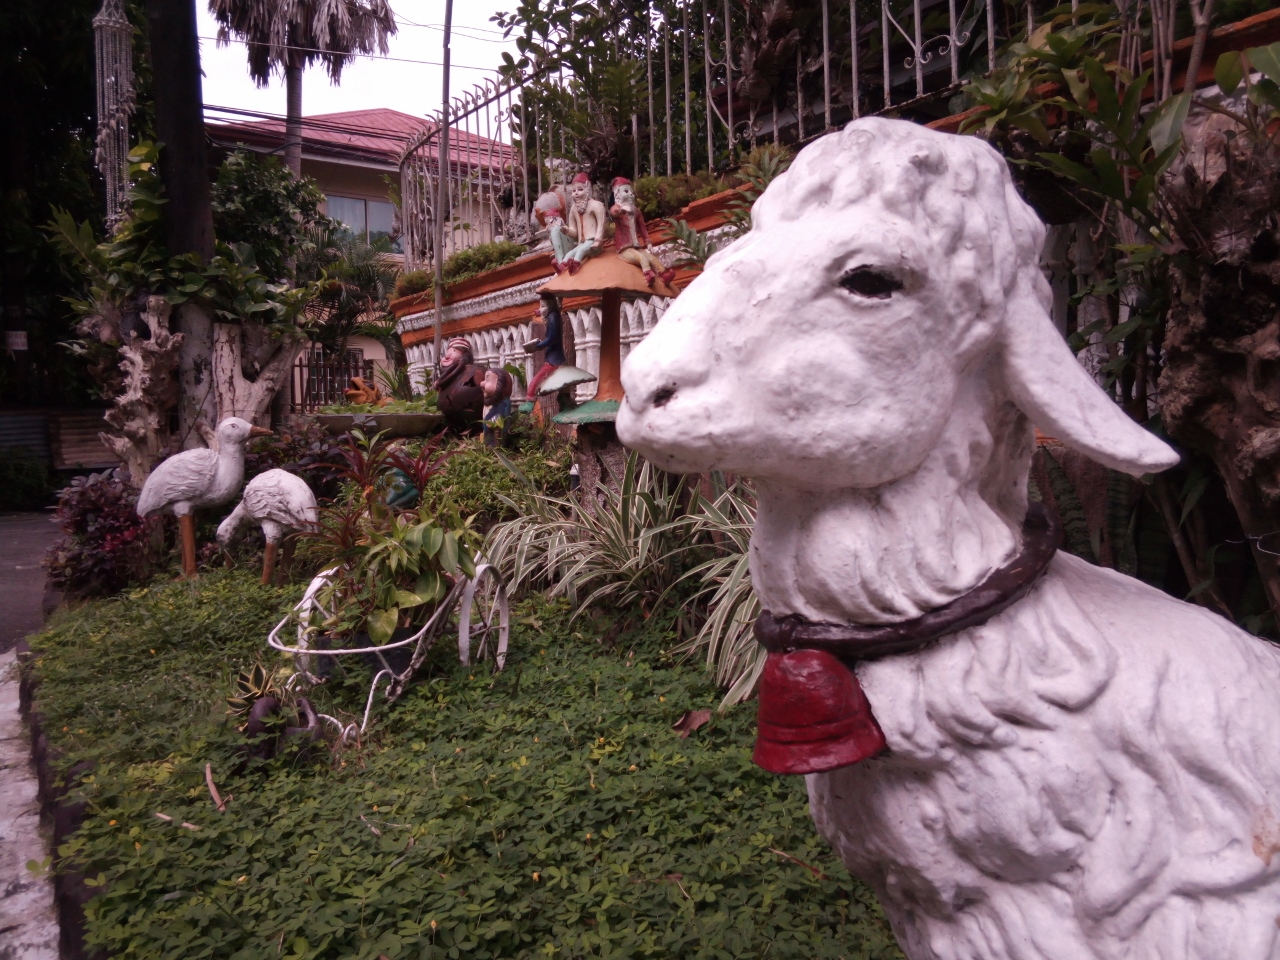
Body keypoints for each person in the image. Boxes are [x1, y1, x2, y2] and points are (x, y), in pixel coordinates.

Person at [609, 177, 676, 287]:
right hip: (624, 248)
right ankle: (648, 275)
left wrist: (647, 241)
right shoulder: (617, 208)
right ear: (617, 194)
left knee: (651, 258)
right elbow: (613, 213)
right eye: (626, 191)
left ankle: (664, 274)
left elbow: (642, 228)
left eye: (631, 192)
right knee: (642, 258)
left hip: (636, 246)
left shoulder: (636, 211)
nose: (631, 195)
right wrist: (621, 210)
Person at [550, 173, 607, 275]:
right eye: (574, 191)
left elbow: (601, 225)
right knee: (570, 253)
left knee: (580, 251)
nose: (576, 193)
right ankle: (561, 266)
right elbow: (574, 232)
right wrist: (567, 231)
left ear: (587, 188)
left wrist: (598, 240)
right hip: (582, 242)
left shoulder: (596, 205)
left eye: (580, 189)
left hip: (593, 242)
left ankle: (575, 265)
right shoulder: (574, 209)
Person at [433, 337, 485, 433]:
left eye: (453, 352)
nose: (447, 356)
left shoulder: (472, 371)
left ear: (464, 357)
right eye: (447, 352)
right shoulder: (447, 377)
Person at [524, 295, 566, 398]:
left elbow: (552, 338)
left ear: (550, 306)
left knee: (535, 383)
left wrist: (538, 346)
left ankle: (530, 399)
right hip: (554, 357)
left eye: (543, 306)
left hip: (554, 359)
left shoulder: (553, 316)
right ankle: (565, 398)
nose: (540, 309)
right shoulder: (553, 315)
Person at [481, 368, 514, 448]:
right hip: (488, 432)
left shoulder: (504, 402)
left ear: (500, 383)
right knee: (487, 441)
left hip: (497, 434)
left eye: (488, 379)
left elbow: (502, 415)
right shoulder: (490, 401)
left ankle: (496, 448)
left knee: (494, 443)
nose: (482, 383)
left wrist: (494, 420)